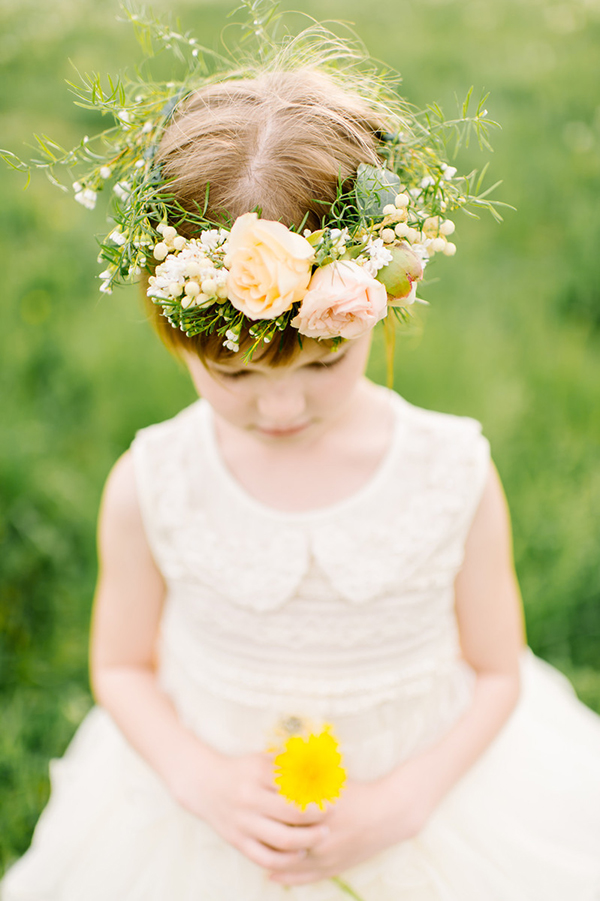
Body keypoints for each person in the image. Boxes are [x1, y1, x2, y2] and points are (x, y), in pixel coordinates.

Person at [2, 23, 600, 901]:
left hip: (423, 800)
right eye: (233, 373)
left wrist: (406, 800)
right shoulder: (152, 482)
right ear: (176, 334)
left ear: (383, 303)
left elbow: (499, 669)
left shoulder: (450, 470)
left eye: (323, 361)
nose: (279, 407)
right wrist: (197, 777)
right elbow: (122, 665)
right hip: (206, 822)